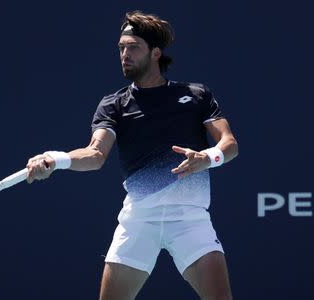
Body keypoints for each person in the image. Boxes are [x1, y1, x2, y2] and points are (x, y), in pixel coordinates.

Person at [26, 10, 238, 300]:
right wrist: (56, 159)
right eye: (121, 48)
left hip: (191, 219)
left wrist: (207, 158)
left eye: (133, 47)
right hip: (140, 219)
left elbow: (229, 144)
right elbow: (95, 154)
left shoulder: (196, 95)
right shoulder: (114, 104)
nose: (124, 54)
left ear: (155, 53)